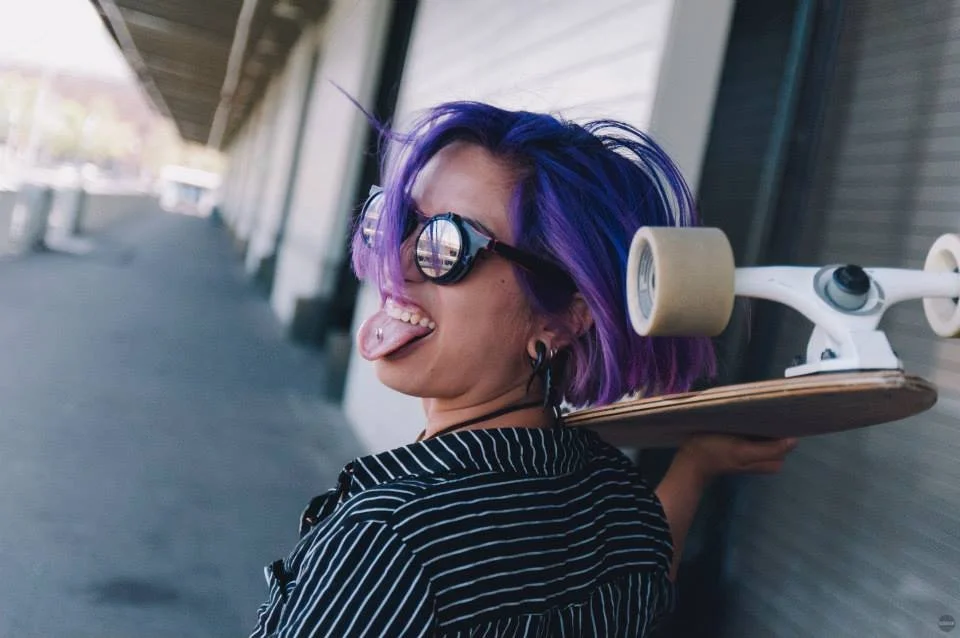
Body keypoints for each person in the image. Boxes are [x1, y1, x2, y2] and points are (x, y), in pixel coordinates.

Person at [250, 102, 797, 637]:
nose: (393, 263)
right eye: (396, 220)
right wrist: (695, 468)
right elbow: (647, 576)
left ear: (562, 318)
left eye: (448, 243)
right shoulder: (621, 504)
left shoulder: (390, 546)